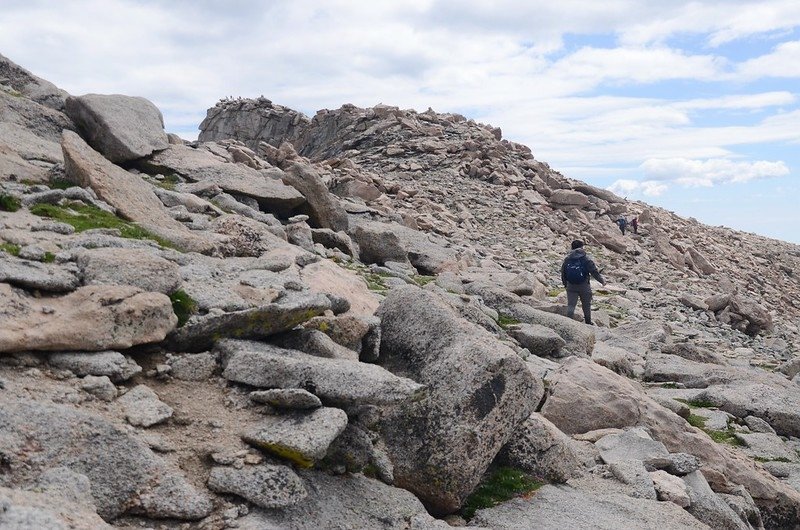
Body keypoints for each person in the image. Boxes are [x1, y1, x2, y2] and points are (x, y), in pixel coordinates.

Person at [561, 240, 605, 325]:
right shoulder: (585, 258)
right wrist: (602, 281)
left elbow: (563, 272)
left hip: (571, 285)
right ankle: (588, 323)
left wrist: (565, 284)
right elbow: (594, 271)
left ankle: (568, 323)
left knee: (571, 305)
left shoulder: (567, 258)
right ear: (581, 247)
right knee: (586, 305)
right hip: (584, 285)